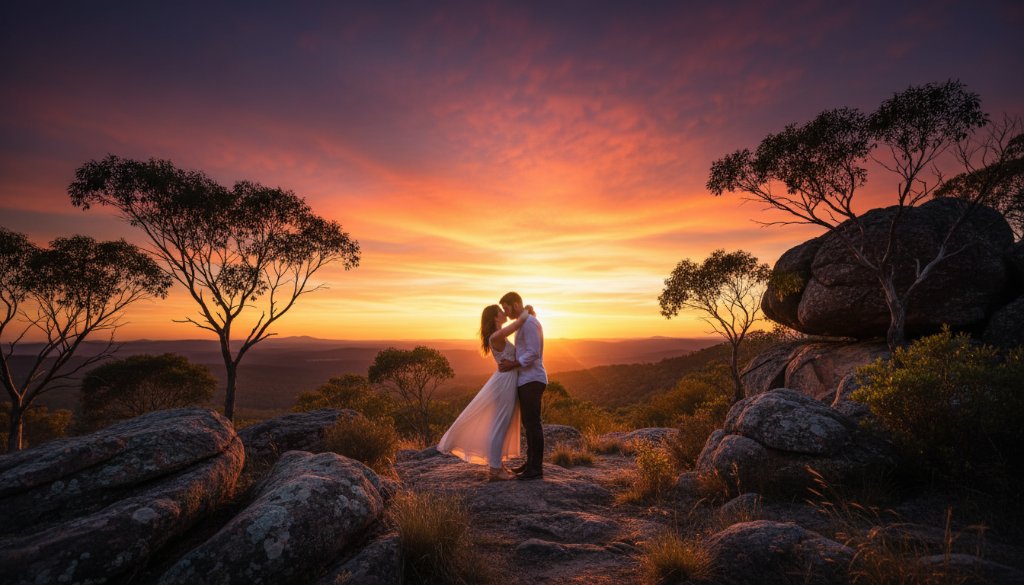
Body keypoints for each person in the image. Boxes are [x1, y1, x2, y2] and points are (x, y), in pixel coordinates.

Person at [437, 303, 533, 481]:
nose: (504, 312)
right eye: (501, 311)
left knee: (502, 424)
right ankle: (495, 470)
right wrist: (526, 310)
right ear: (496, 317)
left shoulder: (497, 335)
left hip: (507, 380)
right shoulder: (496, 336)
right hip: (505, 382)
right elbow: (517, 324)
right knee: (501, 424)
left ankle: (498, 464)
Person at [497, 291, 547, 480]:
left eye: (506, 308)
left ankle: (536, 468)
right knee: (529, 424)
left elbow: (533, 353)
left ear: (516, 304)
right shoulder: (524, 323)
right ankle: (530, 463)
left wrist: (512, 364)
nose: (506, 312)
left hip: (533, 379)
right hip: (526, 379)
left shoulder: (530, 324)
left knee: (533, 424)